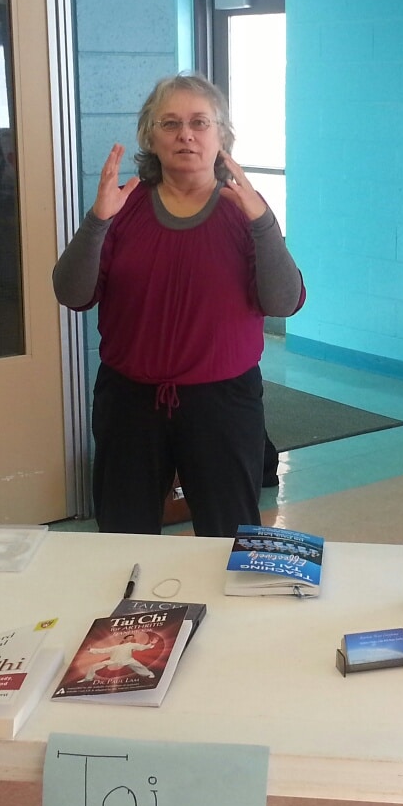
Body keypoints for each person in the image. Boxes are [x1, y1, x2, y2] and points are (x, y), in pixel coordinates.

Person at [52, 73, 305, 538]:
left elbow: (284, 301)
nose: (185, 134)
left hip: (223, 404)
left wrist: (265, 224)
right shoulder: (122, 208)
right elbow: (72, 294)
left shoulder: (245, 210)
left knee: (229, 539)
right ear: (150, 135)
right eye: (170, 123)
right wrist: (95, 223)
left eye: (199, 122)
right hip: (130, 402)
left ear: (221, 135)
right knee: (123, 537)